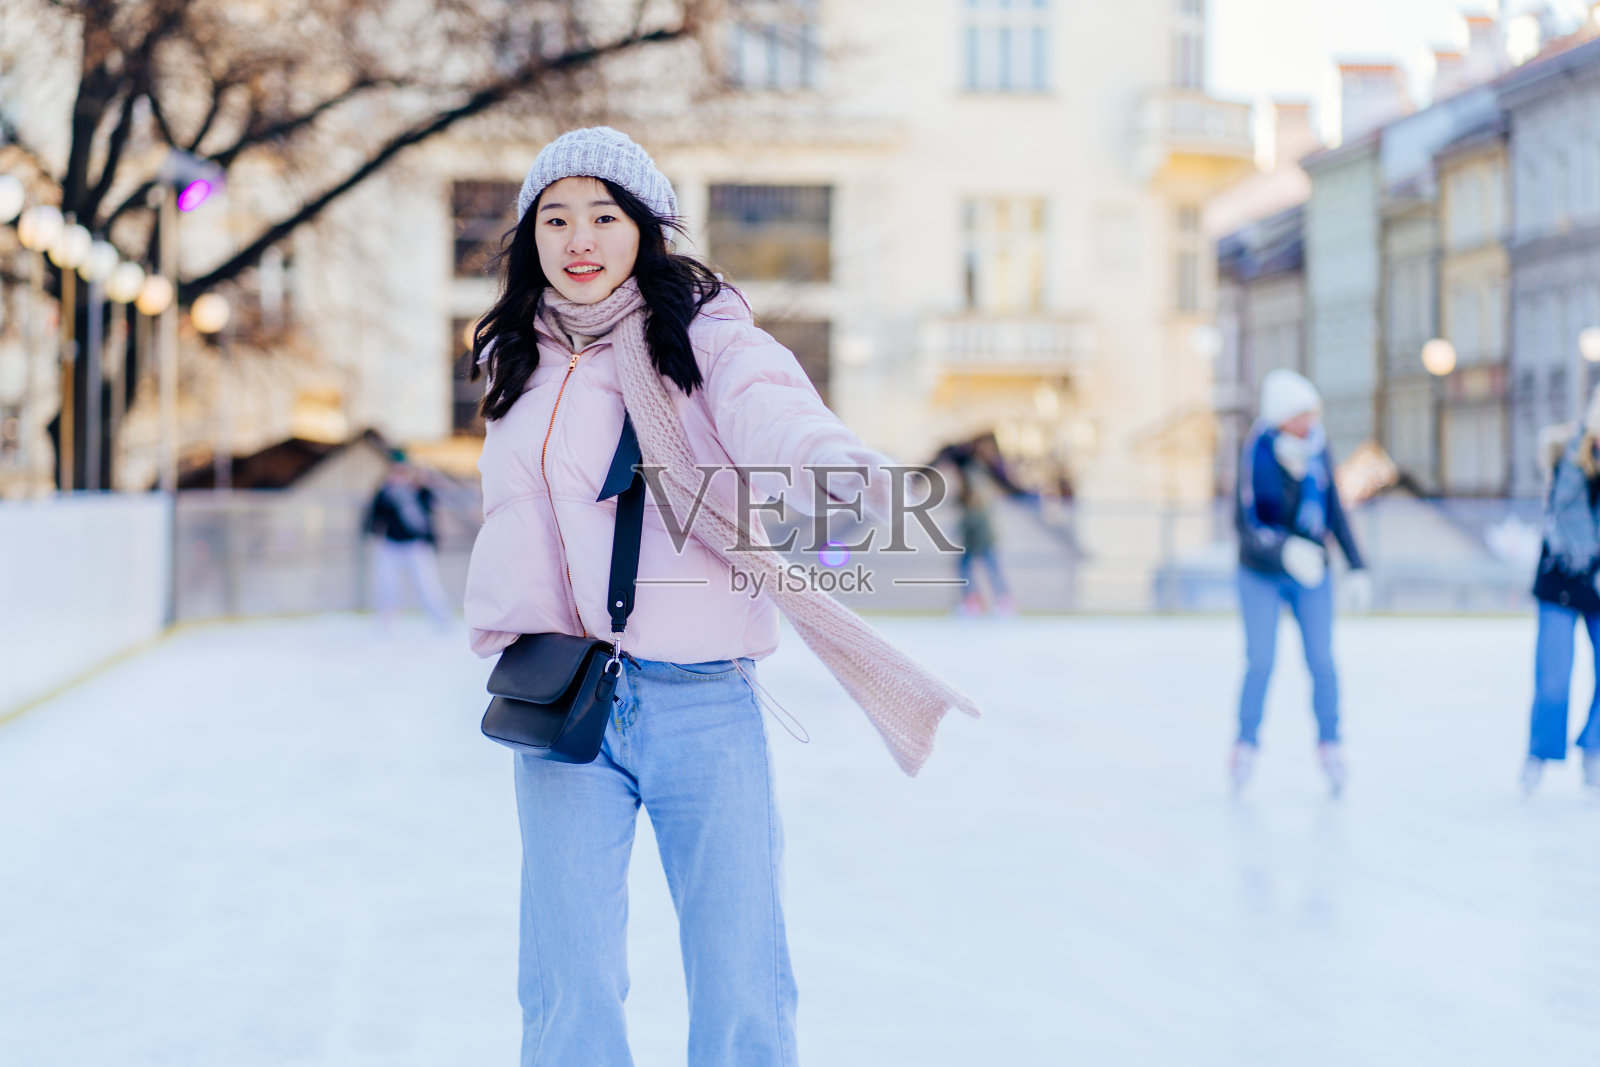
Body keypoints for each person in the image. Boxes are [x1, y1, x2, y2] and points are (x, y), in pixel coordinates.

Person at [462, 127, 977, 1067]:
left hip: (701, 701)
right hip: (566, 702)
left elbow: (771, 406)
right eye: (556, 218)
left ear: (646, 230)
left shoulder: (701, 334)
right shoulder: (516, 360)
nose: (579, 238)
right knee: (566, 984)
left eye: (604, 217)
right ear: (531, 236)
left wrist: (833, 467)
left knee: (740, 980)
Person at [1231, 369, 1369, 797]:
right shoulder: (1257, 452)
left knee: (1322, 661)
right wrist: (1282, 550)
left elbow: (1334, 509)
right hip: (1262, 572)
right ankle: (1246, 743)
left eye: (1312, 414)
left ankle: (1331, 744)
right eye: (1300, 415)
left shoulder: (1318, 448)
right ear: (1280, 417)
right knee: (1261, 661)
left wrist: (1357, 564)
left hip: (1312, 571)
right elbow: (1244, 521)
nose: (1308, 423)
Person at [1521, 387, 1600, 795]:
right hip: (1563, 582)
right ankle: (1539, 753)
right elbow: (1566, 524)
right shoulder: (1569, 459)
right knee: (1553, 677)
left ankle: (1594, 746)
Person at [365, 457, 452, 630]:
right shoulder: (385, 493)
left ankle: (443, 622)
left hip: (416, 546)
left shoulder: (419, 491)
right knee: (387, 587)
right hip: (391, 546)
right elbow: (374, 517)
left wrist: (420, 484)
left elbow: (430, 509)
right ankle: (387, 624)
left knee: (428, 586)